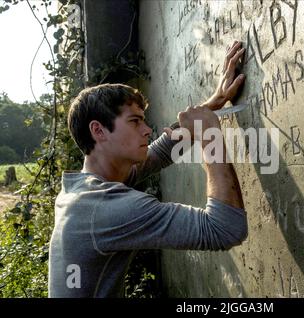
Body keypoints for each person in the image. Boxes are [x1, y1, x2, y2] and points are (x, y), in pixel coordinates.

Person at [48, 41, 247, 297]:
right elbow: (225, 229)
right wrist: (210, 135)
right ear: (98, 130)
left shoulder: (82, 191)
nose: (147, 130)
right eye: (134, 122)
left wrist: (213, 103)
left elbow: (160, 153)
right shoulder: (106, 209)